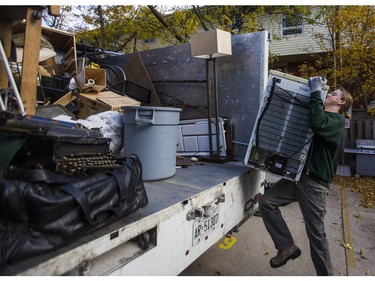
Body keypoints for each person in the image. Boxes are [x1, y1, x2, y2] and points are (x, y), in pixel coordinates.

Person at [259, 77, 353, 276]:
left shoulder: (336, 121)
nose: (329, 94)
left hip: (315, 185)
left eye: (334, 93)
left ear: (342, 103)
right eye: (330, 92)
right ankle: (287, 247)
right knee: (267, 202)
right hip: (297, 178)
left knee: (316, 235)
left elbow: (318, 122)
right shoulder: (316, 114)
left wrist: (315, 92)